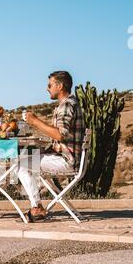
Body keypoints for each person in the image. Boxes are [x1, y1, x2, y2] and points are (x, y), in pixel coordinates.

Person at [17, 71, 85, 222]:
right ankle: (37, 206)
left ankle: (36, 207)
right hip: (69, 157)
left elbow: (60, 135)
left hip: (67, 161)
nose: (47, 88)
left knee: (21, 165)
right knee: (28, 161)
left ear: (60, 86)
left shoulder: (67, 105)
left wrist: (35, 121)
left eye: (50, 85)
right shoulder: (70, 103)